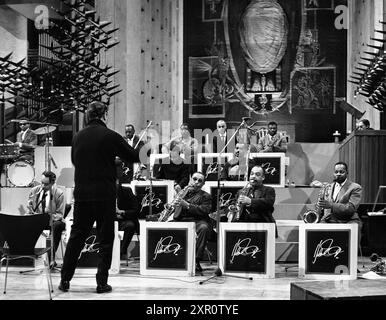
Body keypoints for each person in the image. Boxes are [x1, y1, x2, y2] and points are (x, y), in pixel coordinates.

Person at [59, 101, 139, 294]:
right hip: (104, 194)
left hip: (83, 194)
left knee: (76, 237)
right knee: (105, 239)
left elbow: (75, 160)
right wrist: (114, 159)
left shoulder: (78, 136)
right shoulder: (110, 135)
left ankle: (65, 280)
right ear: (104, 115)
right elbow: (134, 155)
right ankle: (101, 283)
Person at [172, 171, 212, 273]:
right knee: (164, 226)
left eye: (200, 181)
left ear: (203, 184)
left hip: (197, 221)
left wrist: (187, 205)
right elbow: (174, 210)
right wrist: (173, 205)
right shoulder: (182, 193)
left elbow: (204, 210)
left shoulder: (206, 196)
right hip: (181, 220)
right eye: (194, 179)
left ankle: (196, 260)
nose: (196, 182)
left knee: (204, 228)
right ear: (190, 180)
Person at [317, 161, 362, 244]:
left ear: (347, 173)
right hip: (331, 220)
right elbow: (324, 208)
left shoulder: (355, 187)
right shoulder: (329, 187)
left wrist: (331, 205)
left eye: (341, 172)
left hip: (348, 220)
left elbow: (350, 208)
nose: (338, 174)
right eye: (336, 172)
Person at [27, 171, 66, 266]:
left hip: (51, 222)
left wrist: (46, 217)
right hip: (37, 221)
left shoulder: (59, 193)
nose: (43, 186)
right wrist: (31, 211)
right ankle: (26, 256)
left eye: (46, 184)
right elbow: (29, 210)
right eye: (42, 183)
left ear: (53, 183)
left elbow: (60, 214)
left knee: (57, 225)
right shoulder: (34, 191)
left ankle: (50, 259)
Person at [230, 165, 277, 236]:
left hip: (262, 225)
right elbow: (233, 203)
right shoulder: (242, 191)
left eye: (257, 174)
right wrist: (232, 207)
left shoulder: (269, 190)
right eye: (251, 174)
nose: (253, 176)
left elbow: (268, 202)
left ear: (263, 177)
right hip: (242, 224)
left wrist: (250, 201)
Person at [115, 163, 140, 260]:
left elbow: (136, 210)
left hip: (123, 220)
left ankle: (121, 251)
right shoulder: (103, 192)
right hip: (108, 220)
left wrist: (122, 212)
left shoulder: (127, 191)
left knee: (130, 225)